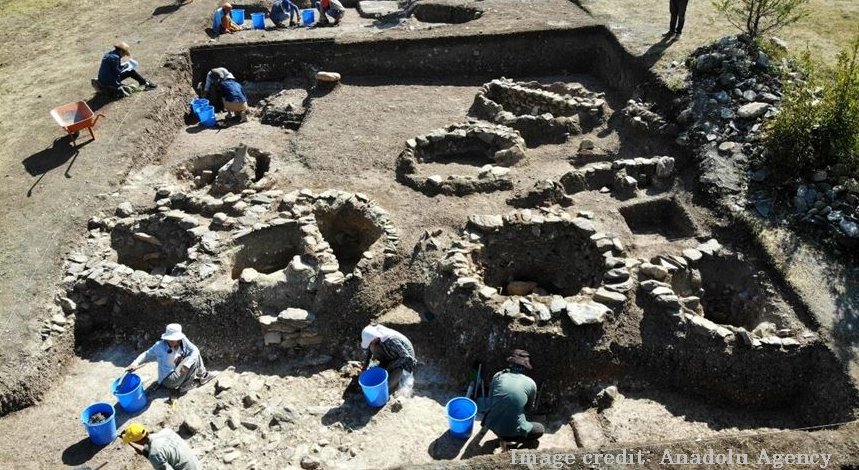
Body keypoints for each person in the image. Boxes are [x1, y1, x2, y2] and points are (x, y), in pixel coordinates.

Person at [482, 349, 544, 449]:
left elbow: (491, 399)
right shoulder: (531, 383)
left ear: (511, 363)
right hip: (511, 432)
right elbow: (529, 408)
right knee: (540, 429)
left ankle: (502, 436)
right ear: (525, 367)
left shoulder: (498, 376)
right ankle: (512, 446)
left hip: (492, 425)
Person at [126, 323, 215, 393]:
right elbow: (146, 354)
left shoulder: (183, 340)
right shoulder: (159, 346)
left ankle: (203, 375)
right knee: (192, 359)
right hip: (169, 379)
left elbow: (195, 350)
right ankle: (187, 384)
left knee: (194, 354)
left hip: (175, 371)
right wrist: (135, 363)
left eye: (174, 339)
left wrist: (187, 364)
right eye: (170, 339)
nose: (171, 341)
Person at [361, 324, 416, 394]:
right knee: (373, 347)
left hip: (405, 361)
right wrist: (364, 367)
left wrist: (389, 367)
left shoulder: (391, 340)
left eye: (371, 341)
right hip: (395, 355)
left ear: (375, 338)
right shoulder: (375, 335)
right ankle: (385, 364)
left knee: (386, 387)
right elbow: (369, 351)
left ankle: (394, 374)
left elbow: (406, 357)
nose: (371, 343)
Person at [121, 422, 201, 470]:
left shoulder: (155, 454)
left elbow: (154, 454)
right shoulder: (166, 431)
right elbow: (147, 450)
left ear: (138, 441)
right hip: (197, 466)